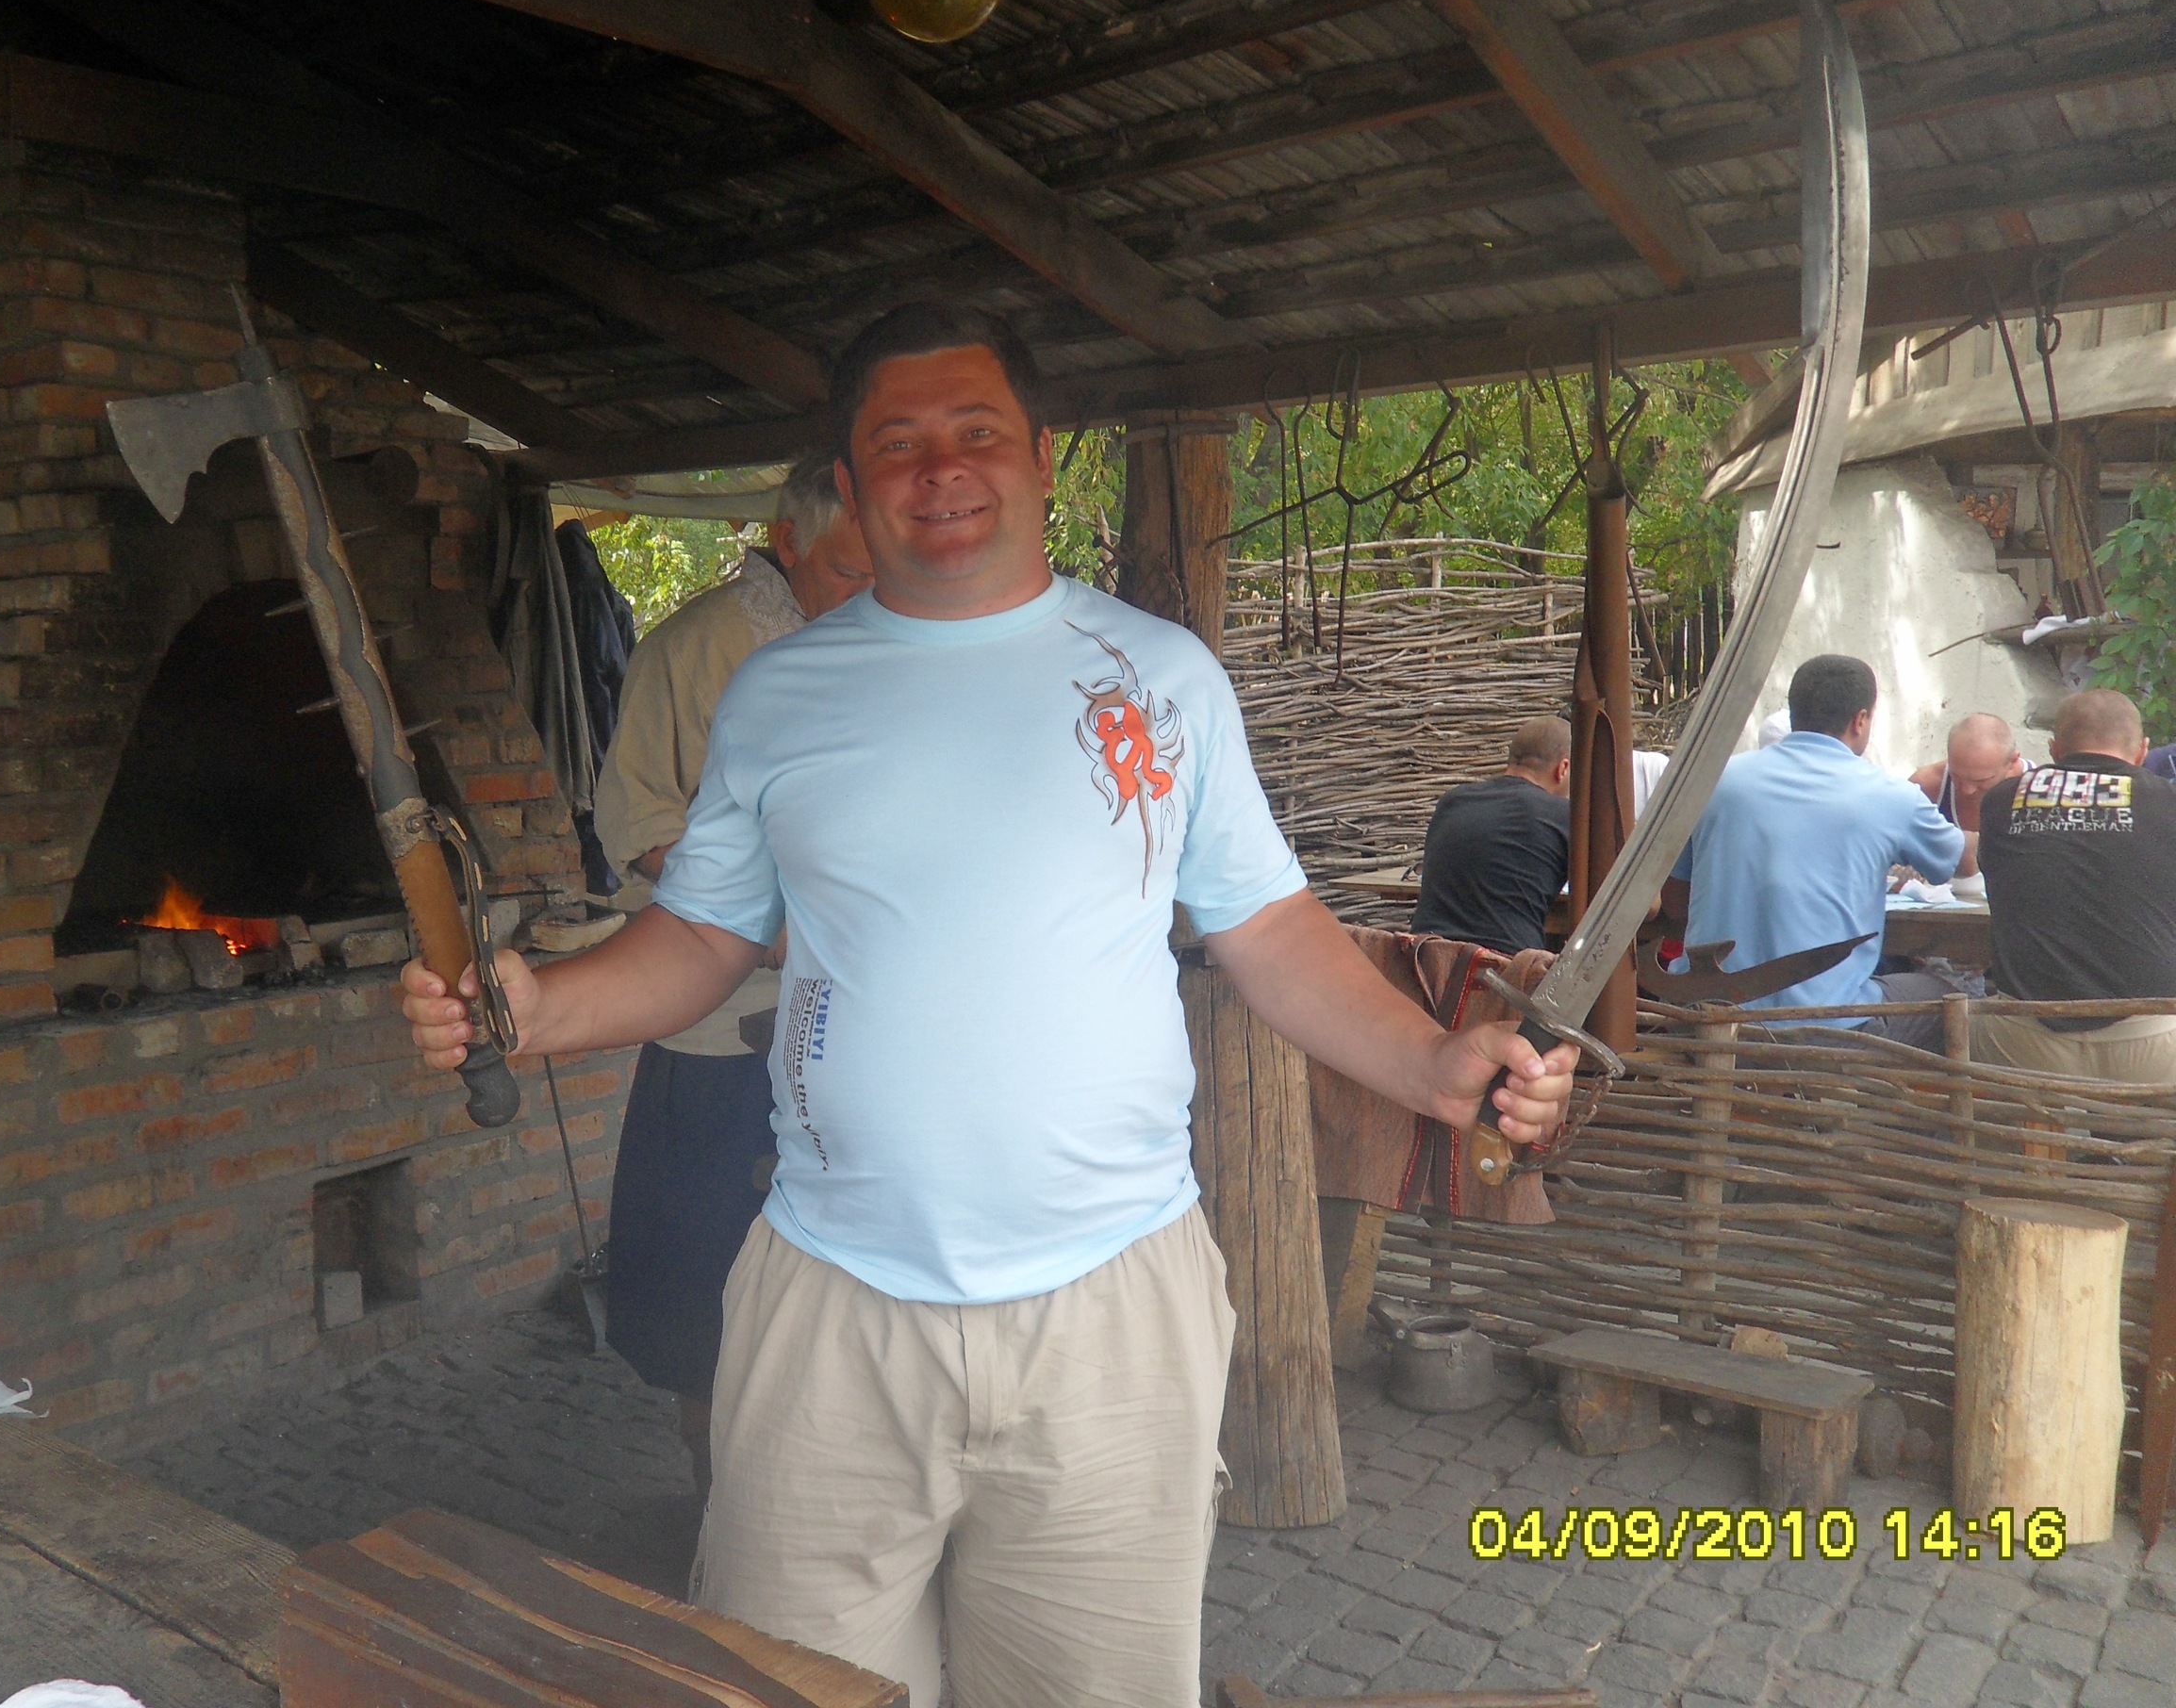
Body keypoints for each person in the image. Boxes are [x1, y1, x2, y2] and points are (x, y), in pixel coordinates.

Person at [402, 303, 1575, 1708]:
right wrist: (533, 1008)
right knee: (791, 1691)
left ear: (1040, 456)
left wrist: (1435, 1066)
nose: (940, 469)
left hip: (1110, 1306)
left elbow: (1266, 929)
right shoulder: (779, 696)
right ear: (850, 483)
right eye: (897, 444)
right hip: (832, 1301)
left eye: (975, 433)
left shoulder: (1161, 680)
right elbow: (704, 938)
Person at [587, 452, 873, 1492]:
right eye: (847, 571)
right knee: (708, 1283)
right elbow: (642, 827)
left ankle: (833, 1481)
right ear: (788, 542)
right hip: (722, 1024)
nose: (870, 592)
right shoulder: (696, 651)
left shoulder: (891, 649)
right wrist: (772, 927)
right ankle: (718, 1493)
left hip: (859, 1029)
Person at [1665, 654, 1963, 1050]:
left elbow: (1674, 902)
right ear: (1860, 720)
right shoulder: (1891, 796)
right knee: (1949, 993)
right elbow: (1955, 861)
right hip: (1825, 1027)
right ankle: (1877, 1088)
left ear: (1794, 712)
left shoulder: (1715, 781)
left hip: (1707, 1014)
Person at [1974, 688, 2176, 1082]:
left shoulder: (1999, 802)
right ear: (2142, 751)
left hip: (2023, 1041)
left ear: (2054, 749)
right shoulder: (2167, 801)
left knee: (1961, 1013)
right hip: (2152, 1040)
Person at [1411, 717, 1571, 955]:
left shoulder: (1453, 801)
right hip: (1504, 965)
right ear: (1563, 769)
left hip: (1426, 958)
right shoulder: (1561, 814)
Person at [1907, 711, 2027, 877]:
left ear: (2012, 762)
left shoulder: (2036, 791)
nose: (1967, 790)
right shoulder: (1926, 788)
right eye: (1957, 776)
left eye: (1981, 781)